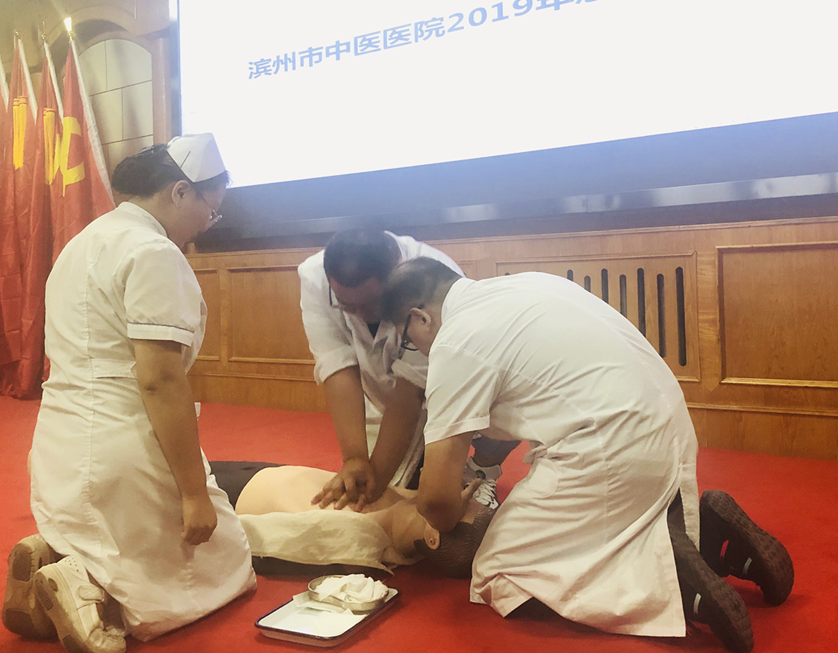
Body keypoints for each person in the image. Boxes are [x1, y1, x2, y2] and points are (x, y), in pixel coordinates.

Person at [379, 258, 795, 653]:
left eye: (408, 340)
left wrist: (440, 514)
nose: (417, 350)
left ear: (420, 317)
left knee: (499, 573)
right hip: (669, 428)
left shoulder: (455, 340)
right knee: (586, 533)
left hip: (612, 451)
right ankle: (711, 539)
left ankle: (677, 587)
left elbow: (437, 504)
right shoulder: (526, 284)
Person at [1, 135, 255, 653]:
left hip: (57, 448)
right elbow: (159, 378)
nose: (208, 223)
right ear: (180, 192)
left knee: (115, 540)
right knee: (226, 564)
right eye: (211, 210)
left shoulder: (81, 242)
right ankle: (86, 589)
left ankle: (56, 556)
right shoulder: (153, 251)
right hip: (122, 451)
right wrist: (192, 493)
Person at [298, 229, 519, 511]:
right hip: (382, 397)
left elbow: (410, 390)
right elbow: (337, 367)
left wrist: (377, 484)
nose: (360, 315)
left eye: (371, 304)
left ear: (398, 270)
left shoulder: (435, 280)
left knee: (505, 408)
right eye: (347, 306)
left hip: (449, 388)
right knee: (394, 487)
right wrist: (354, 458)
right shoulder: (314, 277)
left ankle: (483, 470)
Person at [209, 462, 493, 578]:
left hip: (236, 492)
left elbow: (261, 545)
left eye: (462, 506)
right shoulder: (408, 509)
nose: (456, 496)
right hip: (269, 470)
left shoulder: (360, 544)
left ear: (432, 537)